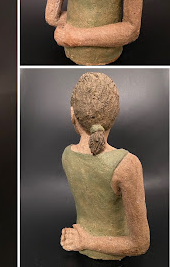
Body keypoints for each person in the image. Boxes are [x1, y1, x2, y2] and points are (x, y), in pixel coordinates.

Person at [61, 72, 150, 260]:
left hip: (80, 240)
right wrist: (87, 242)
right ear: (114, 115)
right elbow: (140, 244)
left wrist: (84, 242)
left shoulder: (67, 155)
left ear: (72, 114)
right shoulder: (127, 165)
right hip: (100, 245)